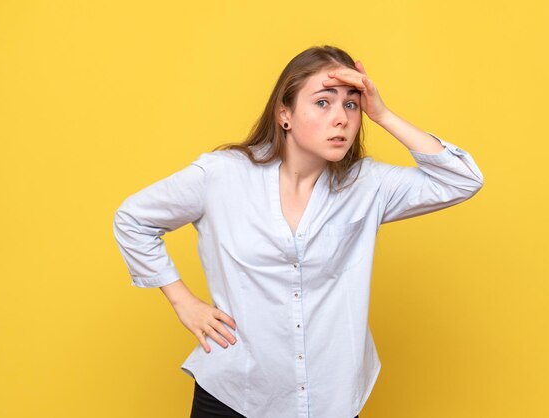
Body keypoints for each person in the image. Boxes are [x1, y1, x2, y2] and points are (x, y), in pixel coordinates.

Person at [113, 44, 484, 418]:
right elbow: (133, 219)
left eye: (351, 105)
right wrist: (184, 303)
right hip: (235, 393)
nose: (341, 118)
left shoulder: (367, 185)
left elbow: (463, 180)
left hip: (332, 399)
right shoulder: (222, 176)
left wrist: (383, 114)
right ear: (284, 114)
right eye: (323, 102)